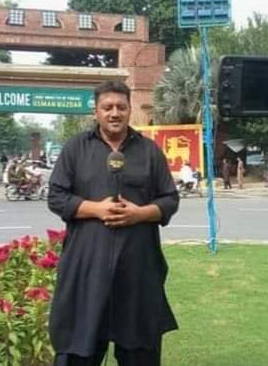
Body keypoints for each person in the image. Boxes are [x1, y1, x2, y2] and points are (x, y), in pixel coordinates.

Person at [48, 80, 180, 366]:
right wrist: (96, 209)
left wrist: (140, 214)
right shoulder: (75, 149)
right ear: (96, 111)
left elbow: (170, 199)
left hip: (138, 269)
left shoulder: (149, 151)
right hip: (86, 267)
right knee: (77, 350)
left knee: (140, 352)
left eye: (121, 107)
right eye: (107, 107)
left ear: (130, 109)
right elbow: (56, 197)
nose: (114, 113)